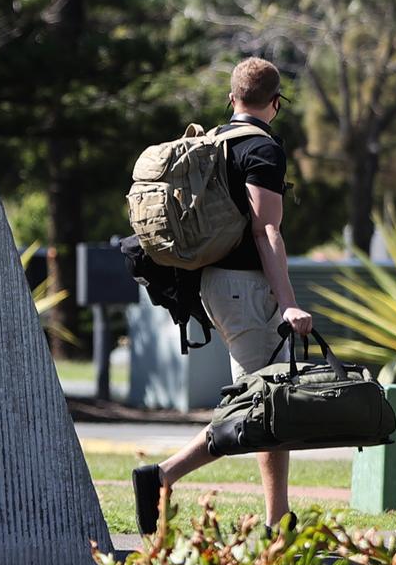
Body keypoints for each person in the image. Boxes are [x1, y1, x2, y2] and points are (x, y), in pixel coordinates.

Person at [133, 56, 313, 534]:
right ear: (275, 103)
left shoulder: (212, 142)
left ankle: (278, 518)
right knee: (259, 404)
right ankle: (162, 476)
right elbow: (265, 229)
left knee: (267, 402)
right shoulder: (263, 150)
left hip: (215, 283)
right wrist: (289, 301)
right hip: (245, 289)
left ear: (232, 98)